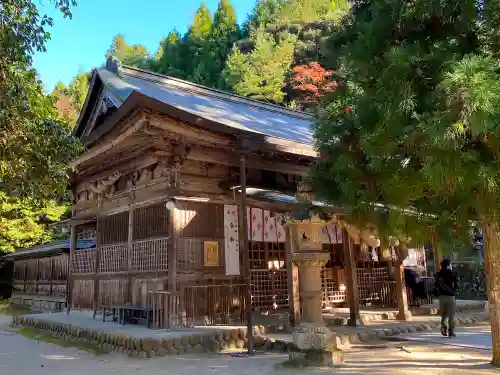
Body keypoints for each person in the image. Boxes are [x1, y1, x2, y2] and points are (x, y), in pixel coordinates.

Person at [434, 257, 458, 337]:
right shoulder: (453, 273)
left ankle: (443, 328)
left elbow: (436, 285)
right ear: (448, 265)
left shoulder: (437, 274)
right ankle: (451, 331)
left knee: (444, 314)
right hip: (451, 297)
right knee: (451, 315)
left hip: (441, 297)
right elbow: (456, 285)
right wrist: (454, 291)